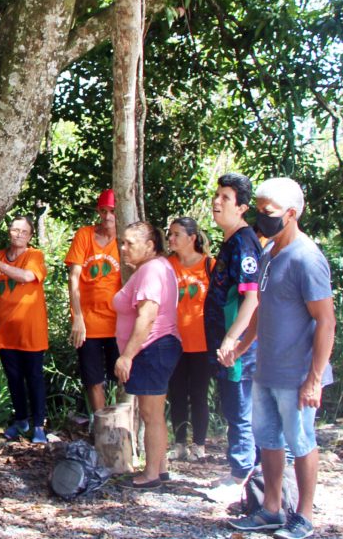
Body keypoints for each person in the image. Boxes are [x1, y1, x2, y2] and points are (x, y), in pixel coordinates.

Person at [225, 178, 335, 539]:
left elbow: (325, 321)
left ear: (291, 214)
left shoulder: (307, 258)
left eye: (267, 211)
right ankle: (271, 508)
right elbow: (261, 309)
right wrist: (242, 347)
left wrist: (314, 378)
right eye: (258, 208)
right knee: (268, 439)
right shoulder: (269, 253)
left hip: (296, 373)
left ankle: (302, 516)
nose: (261, 216)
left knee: (300, 441)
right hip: (265, 369)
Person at [113, 221, 182, 488]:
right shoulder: (154, 267)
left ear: (150, 246)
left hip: (152, 348)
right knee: (152, 413)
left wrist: (127, 356)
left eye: (130, 243)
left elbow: (148, 315)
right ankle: (159, 467)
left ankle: (151, 474)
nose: (123, 248)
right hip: (156, 348)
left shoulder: (152, 270)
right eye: (123, 242)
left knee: (151, 414)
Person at [206, 173, 262, 499]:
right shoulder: (231, 241)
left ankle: (243, 478)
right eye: (217, 195)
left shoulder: (244, 242)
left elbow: (252, 298)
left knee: (239, 409)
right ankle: (247, 477)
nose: (217, 202)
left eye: (225, 198)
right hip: (227, 346)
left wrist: (232, 340)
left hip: (238, 349)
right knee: (233, 406)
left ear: (241, 207)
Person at [0, 215, 49, 444]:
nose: (19, 235)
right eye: (15, 230)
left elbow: (25, 276)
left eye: (24, 232)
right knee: (13, 377)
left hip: (30, 328)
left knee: (33, 376)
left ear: (30, 236)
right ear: (9, 232)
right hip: (5, 329)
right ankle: (21, 419)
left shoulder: (34, 255)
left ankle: (39, 425)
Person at [65, 189, 122, 415]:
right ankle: (101, 428)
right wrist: (77, 317)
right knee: (93, 379)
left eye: (113, 211)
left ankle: (123, 426)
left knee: (122, 377)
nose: (107, 216)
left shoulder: (126, 240)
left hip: (118, 322)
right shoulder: (85, 235)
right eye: (103, 211)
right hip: (88, 322)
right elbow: (73, 276)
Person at [166, 216, 212, 462]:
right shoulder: (167, 264)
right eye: (170, 234)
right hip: (175, 341)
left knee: (198, 393)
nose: (171, 239)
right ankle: (180, 443)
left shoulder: (210, 265)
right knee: (177, 393)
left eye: (176, 234)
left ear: (192, 238)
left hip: (202, 342)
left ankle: (199, 444)